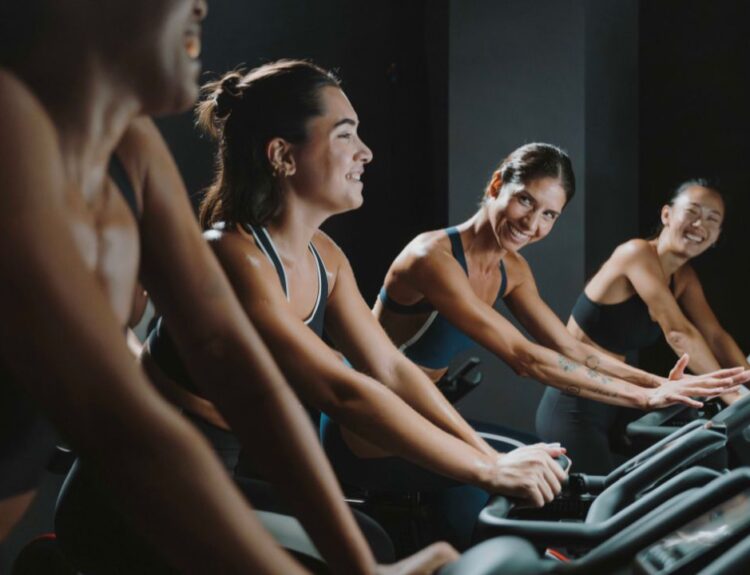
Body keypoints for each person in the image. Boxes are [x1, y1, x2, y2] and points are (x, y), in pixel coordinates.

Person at [0, 2, 453, 573]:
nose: (200, 6)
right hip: (120, 497)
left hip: (138, 483)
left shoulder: (132, 147)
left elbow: (242, 374)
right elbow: (122, 420)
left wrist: (362, 566)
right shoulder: (12, 126)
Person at [142, 60, 569, 550]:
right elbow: (342, 392)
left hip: (213, 471)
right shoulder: (234, 256)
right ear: (282, 155)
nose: (365, 152)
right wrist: (486, 467)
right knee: (370, 547)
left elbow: (390, 367)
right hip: (147, 481)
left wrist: (483, 455)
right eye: (346, 136)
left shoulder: (326, 258)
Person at [373, 144, 747, 466]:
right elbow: (525, 357)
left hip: (420, 416)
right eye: (525, 200)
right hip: (373, 418)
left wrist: (662, 384)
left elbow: (569, 347)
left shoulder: (513, 269)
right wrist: (648, 394)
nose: (532, 223)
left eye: (549, 215)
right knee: (527, 486)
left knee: (544, 483)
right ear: (496, 185)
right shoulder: (431, 257)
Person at [537, 179, 750, 473]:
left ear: (716, 236)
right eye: (692, 212)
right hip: (577, 402)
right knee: (597, 508)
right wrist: (732, 394)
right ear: (666, 215)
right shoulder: (635, 254)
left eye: (712, 219)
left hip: (623, 402)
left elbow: (715, 336)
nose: (700, 224)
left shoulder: (684, 278)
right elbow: (679, 334)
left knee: (706, 454)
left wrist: (746, 381)